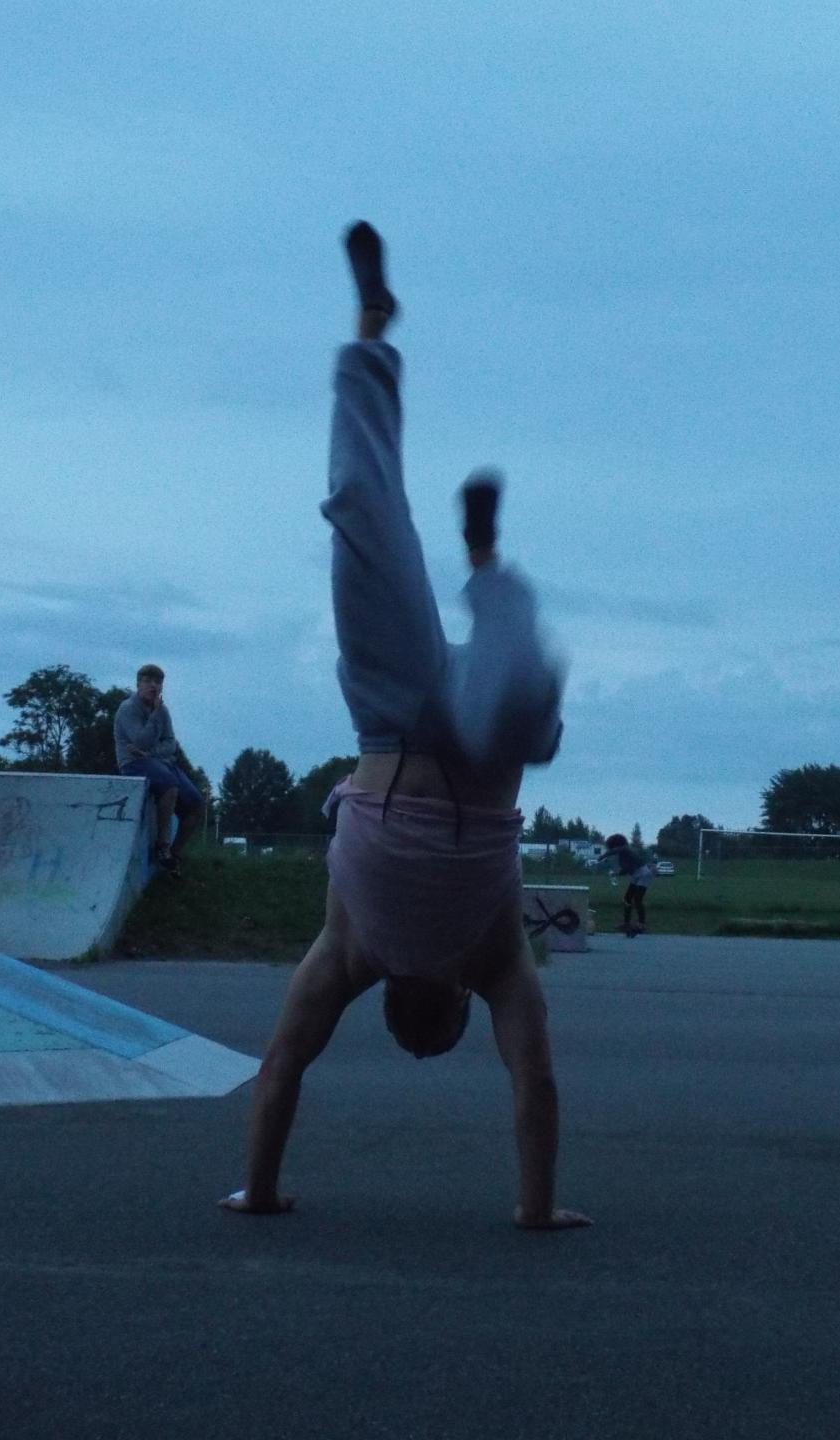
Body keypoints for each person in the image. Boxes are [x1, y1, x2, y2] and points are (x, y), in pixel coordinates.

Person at [220, 219, 587, 1232]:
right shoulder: (421, 956)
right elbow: (281, 1066)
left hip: (408, 729)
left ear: (444, 1005)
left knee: (506, 667)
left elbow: (533, 1081)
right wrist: (255, 1188)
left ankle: (490, 575)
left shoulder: (365, 952)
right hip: (416, 731)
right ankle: (482, 562)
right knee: (362, 517)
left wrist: (541, 1207)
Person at [114, 664, 204, 875]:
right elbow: (140, 741)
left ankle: (174, 854)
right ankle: (162, 846)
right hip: (133, 764)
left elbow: (171, 743)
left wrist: (150, 753)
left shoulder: (163, 711)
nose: (153, 686)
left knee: (196, 804)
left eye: (158, 682)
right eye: (148, 681)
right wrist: (154, 716)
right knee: (169, 785)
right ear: (138, 684)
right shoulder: (128, 709)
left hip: (162, 762)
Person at [601, 832, 656, 937]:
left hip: (644, 874)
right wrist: (616, 873)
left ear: (616, 845)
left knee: (637, 899)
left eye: (612, 847)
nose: (612, 850)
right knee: (627, 898)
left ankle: (641, 924)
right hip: (635, 875)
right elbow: (626, 869)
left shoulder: (627, 850)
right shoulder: (622, 856)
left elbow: (619, 851)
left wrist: (602, 856)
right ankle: (626, 923)